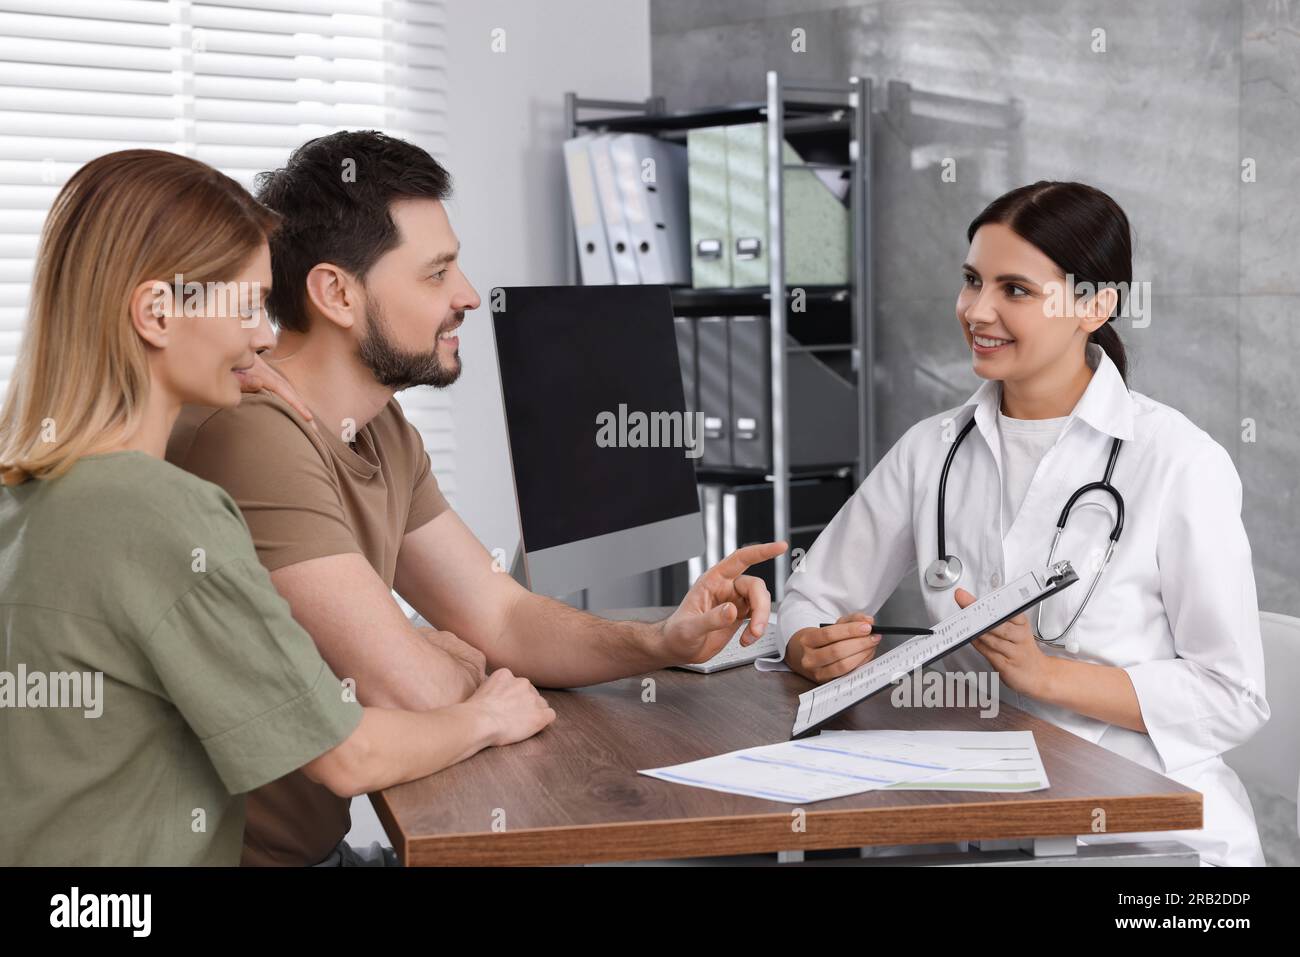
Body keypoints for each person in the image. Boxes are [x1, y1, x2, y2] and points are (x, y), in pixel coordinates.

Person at [165, 130, 786, 866]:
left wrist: (658, 642)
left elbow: (499, 615)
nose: (467, 295)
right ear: (336, 292)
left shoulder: (381, 427)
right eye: (436, 274)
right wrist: (439, 656)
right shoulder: (257, 438)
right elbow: (417, 692)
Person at [0, 150, 555, 866]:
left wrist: (221, 367)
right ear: (155, 313)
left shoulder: (33, 491)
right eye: (247, 308)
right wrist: (487, 714)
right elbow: (347, 754)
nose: (267, 336)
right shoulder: (165, 513)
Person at [778, 181, 1269, 867]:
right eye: (971, 281)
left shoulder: (1178, 461)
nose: (977, 310)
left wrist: (1046, 676)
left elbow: (1232, 696)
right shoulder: (932, 449)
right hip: (969, 815)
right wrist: (808, 644)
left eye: (1014, 289)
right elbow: (808, 598)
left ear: (1094, 306)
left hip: (1147, 839)